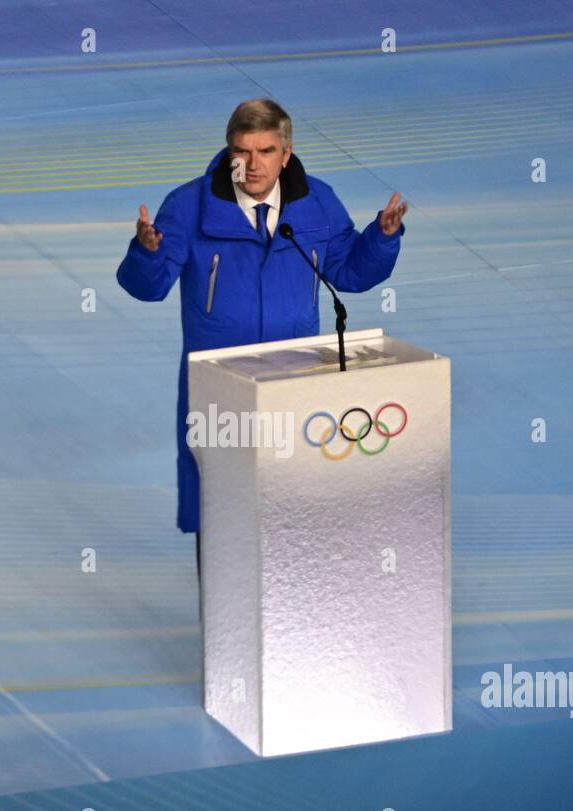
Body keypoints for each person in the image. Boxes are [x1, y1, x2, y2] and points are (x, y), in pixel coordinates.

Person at [115, 98, 408, 583]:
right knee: (221, 511)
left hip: (294, 384)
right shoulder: (188, 207)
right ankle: (228, 640)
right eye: (241, 151)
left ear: (285, 155)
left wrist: (381, 237)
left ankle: (293, 624)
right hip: (219, 391)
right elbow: (147, 288)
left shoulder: (317, 203)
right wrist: (147, 253)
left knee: (292, 510)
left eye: (265, 151)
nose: (251, 164)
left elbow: (348, 271)